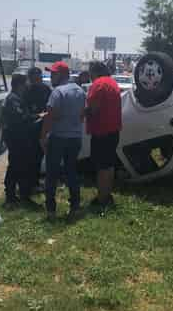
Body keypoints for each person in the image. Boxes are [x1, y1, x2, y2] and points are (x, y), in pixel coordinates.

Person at [40, 61, 86, 220]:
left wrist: (43, 136)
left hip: (58, 137)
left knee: (52, 174)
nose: (51, 76)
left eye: (53, 74)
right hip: (75, 138)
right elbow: (82, 115)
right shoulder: (80, 91)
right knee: (72, 172)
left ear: (62, 75)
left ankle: (51, 210)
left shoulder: (57, 92)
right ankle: (75, 207)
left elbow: (50, 116)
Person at [86, 61, 122, 209]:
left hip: (101, 131)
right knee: (109, 165)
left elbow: (93, 109)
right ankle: (107, 194)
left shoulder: (98, 85)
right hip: (113, 130)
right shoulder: (113, 83)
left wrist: (81, 113)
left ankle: (102, 199)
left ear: (94, 72)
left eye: (89, 72)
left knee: (101, 167)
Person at [2, 73, 38, 207]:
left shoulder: (17, 98)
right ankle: (13, 196)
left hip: (18, 137)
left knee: (19, 166)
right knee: (17, 166)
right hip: (17, 138)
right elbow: (22, 118)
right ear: (20, 85)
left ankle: (18, 195)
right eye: (26, 83)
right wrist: (36, 118)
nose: (28, 85)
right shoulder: (13, 100)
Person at [24, 67, 52, 188]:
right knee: (29, 156)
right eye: (34, 77)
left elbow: (51, 106)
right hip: (28, 128)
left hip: (43, 127)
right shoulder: (25, 91)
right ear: (30, 78)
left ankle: (34, 181)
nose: (37, 79)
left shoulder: (46, 89)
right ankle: (27, 183)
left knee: (39, 155)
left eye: (38, 77)